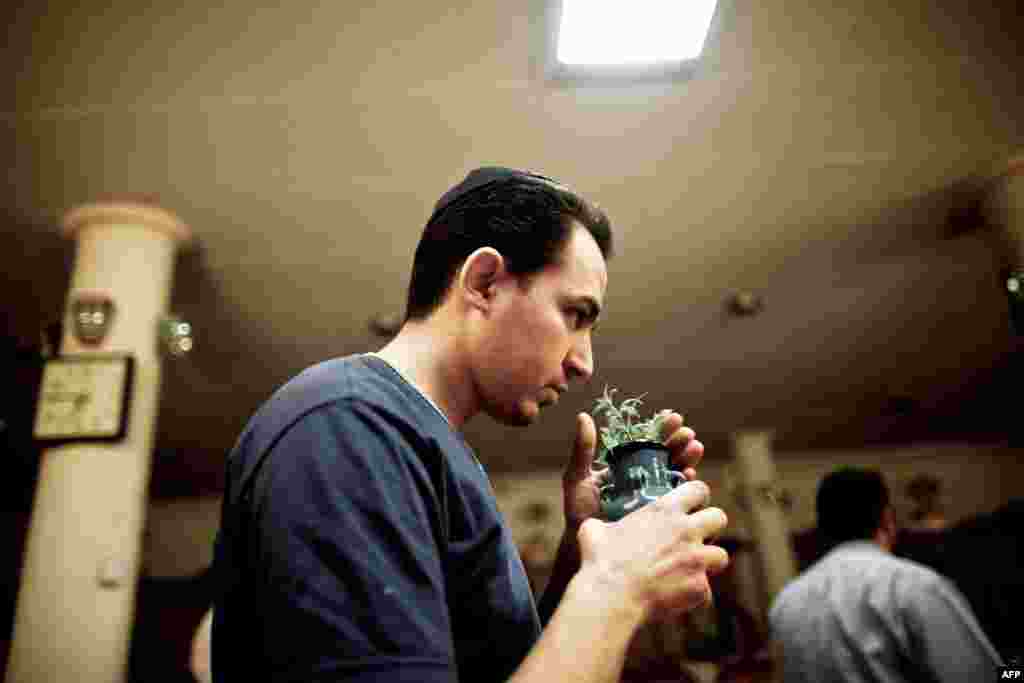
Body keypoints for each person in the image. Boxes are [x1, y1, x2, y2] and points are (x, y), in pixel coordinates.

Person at [209, 167, 730, 682]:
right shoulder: (346, 427)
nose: (584, 363)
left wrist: (583, 554)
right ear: (484, 283)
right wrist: (617, 588)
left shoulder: (417, 441)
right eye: (575, 314)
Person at [768, 466, 1002, 682]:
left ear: (822, 528)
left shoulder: (787, 600)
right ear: (887, 519)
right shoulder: (912, 585)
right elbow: (981, 675)